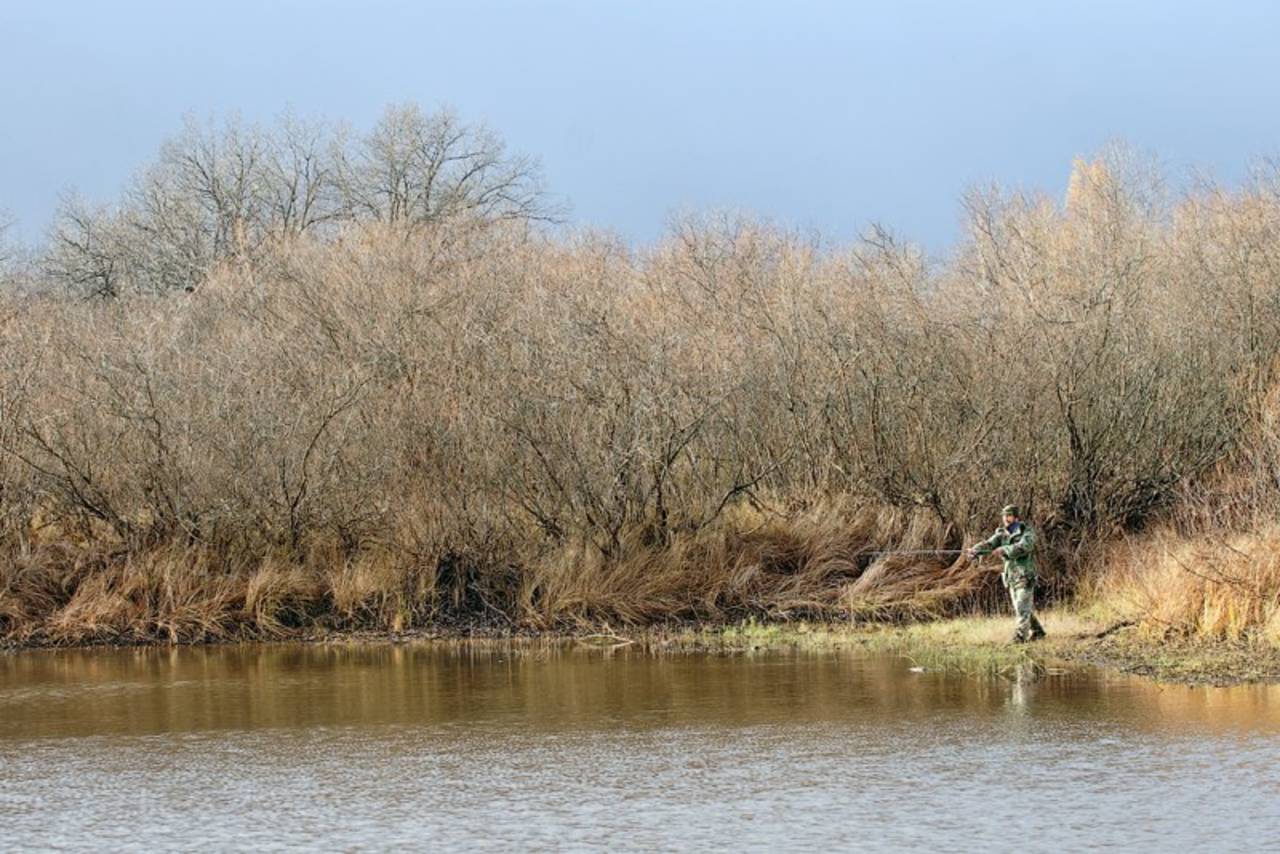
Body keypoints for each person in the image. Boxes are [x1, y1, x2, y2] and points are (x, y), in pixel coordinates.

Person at [967, 504, 1046, 643]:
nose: (1006, 519)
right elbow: (989, 544)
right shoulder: (1001, 534)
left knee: (1022, 606)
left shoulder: (1027, 532)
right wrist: (975, 550)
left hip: (1025, 575)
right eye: (1004, 516)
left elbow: (1025, 547)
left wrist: (1004, 549)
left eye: (1009, 515)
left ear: (1016, 517)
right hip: (1011, 577)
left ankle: (1020, 637)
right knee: (1020, 607)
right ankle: (1038, 631)